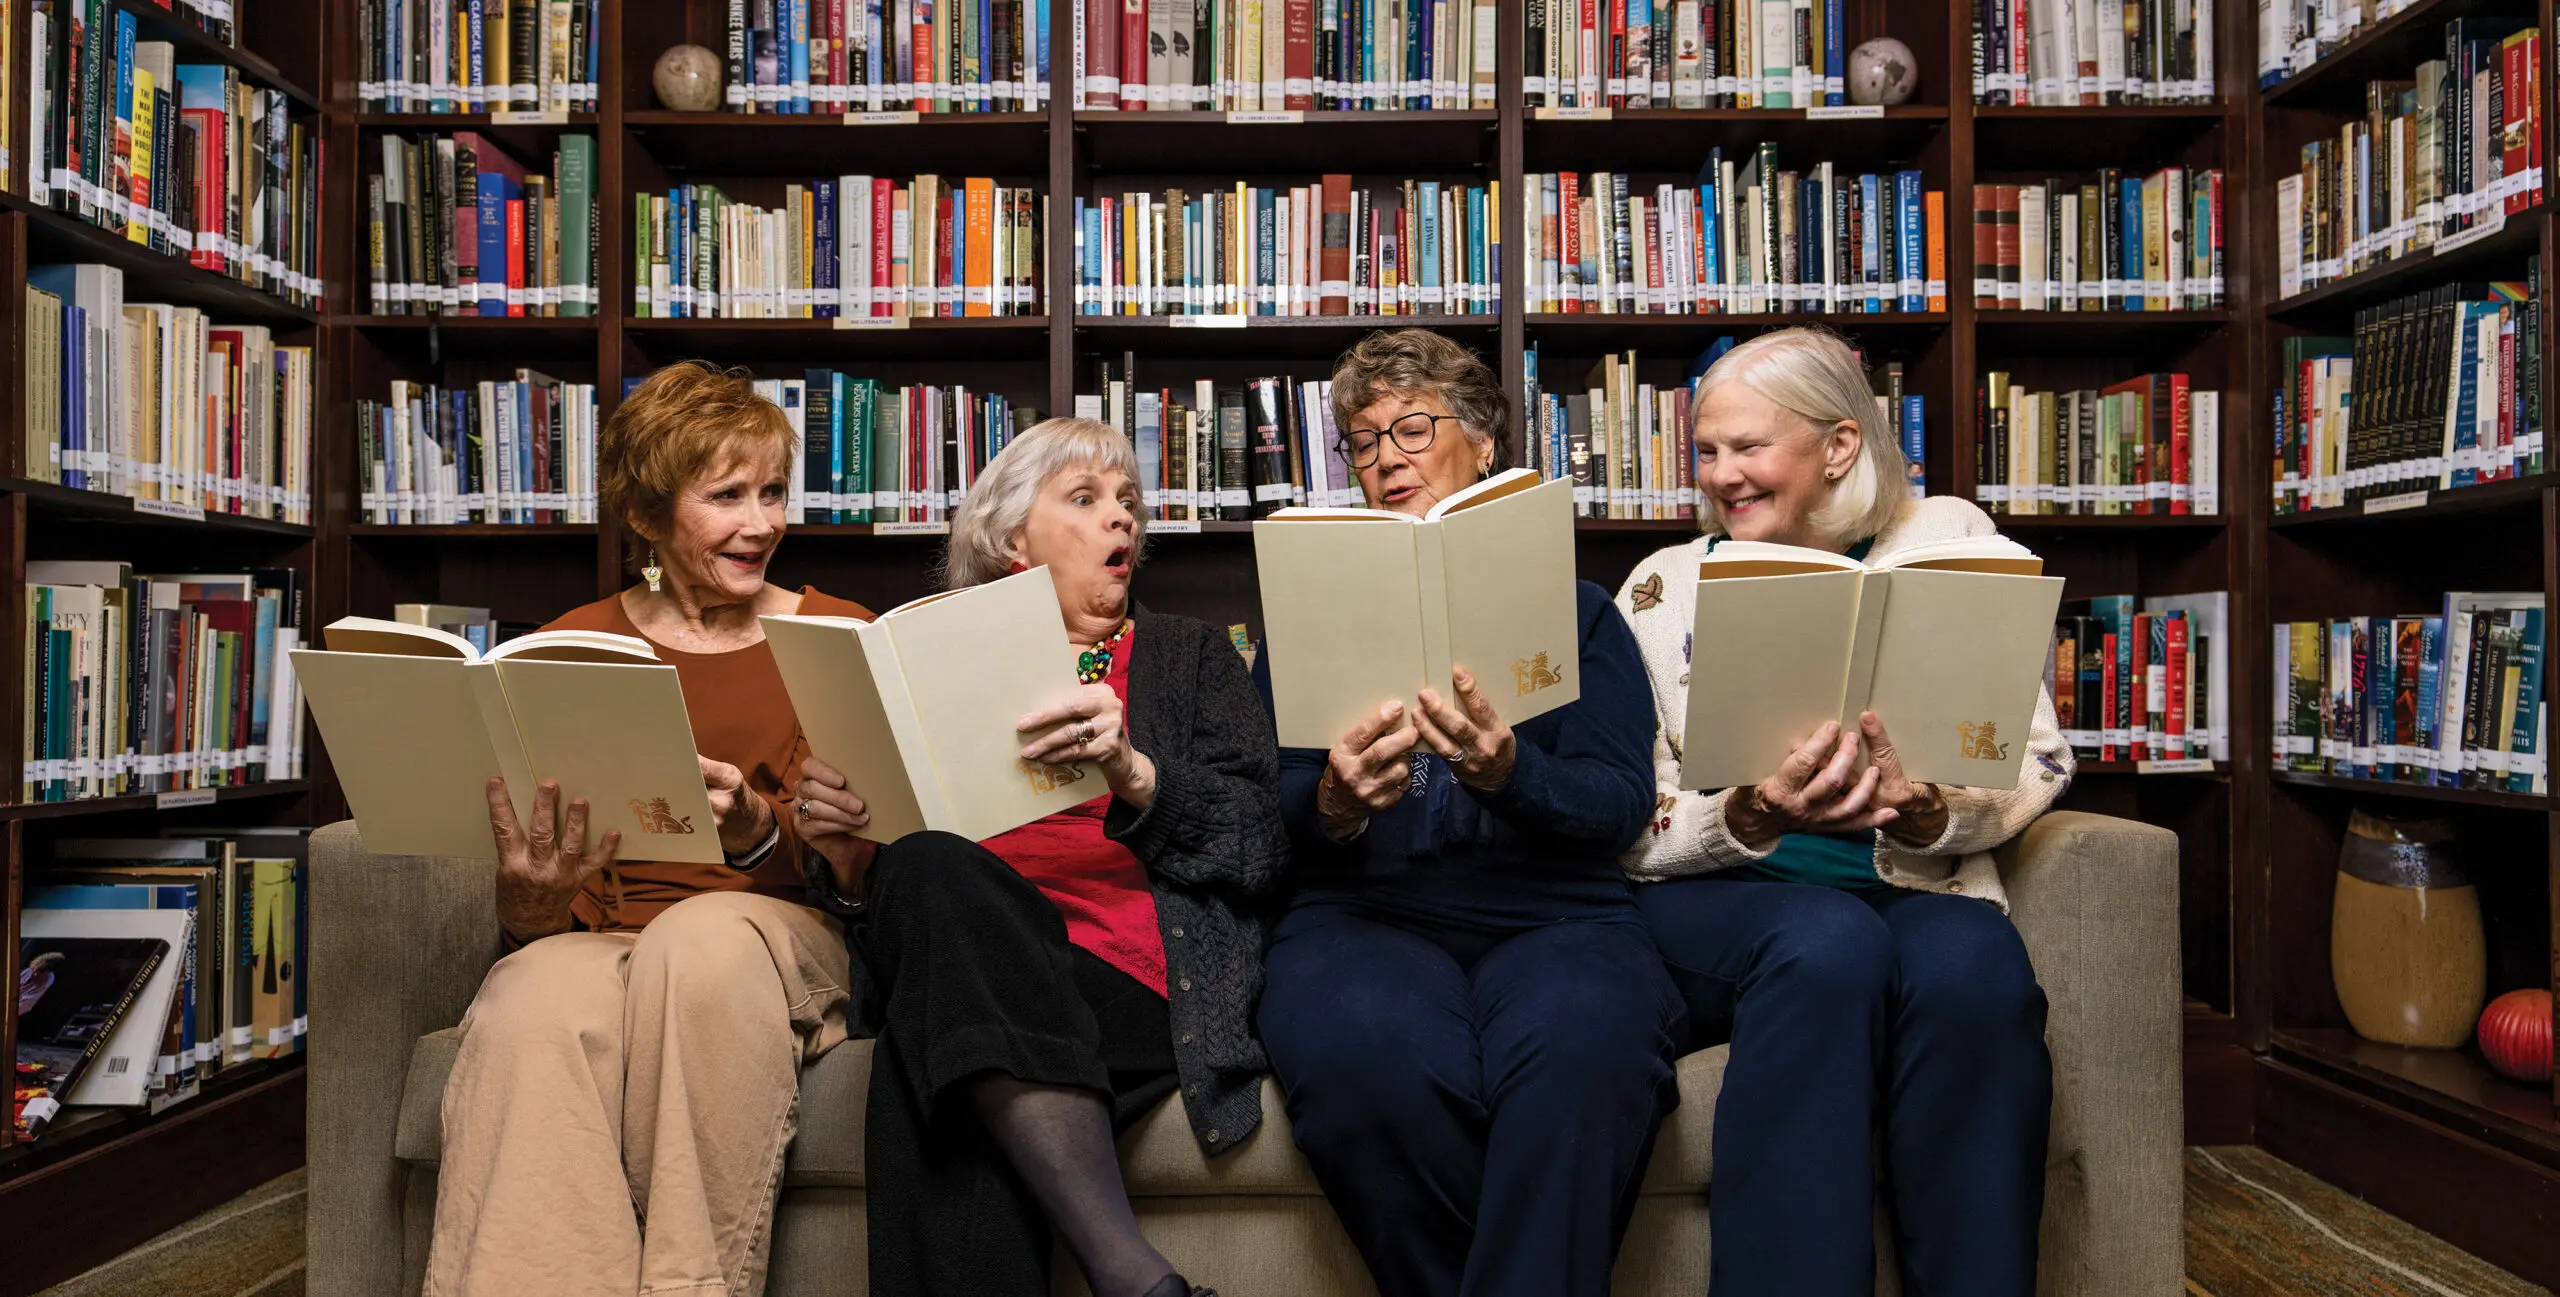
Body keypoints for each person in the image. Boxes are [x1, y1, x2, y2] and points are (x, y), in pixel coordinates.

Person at [1614, 327, 2071, 1296]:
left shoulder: (1946, 545)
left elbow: (2030, 756)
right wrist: (1741, 812)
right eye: (1706, 451)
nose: (1721, 475)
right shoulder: (1658, 589)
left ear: (1837, 446)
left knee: (1977, 964)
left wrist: (1925, 808)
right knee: (1823, 945)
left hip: (1907, 881)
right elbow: (1624, 813)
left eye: (1748, 447)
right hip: (1722, 899)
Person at [791, 418, 1287, 1297]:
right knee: (929, 870)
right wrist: (838, 854)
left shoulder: (1191, 657)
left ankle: (1131, 1276)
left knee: (937, 1066)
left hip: (1129, 973)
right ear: (1011, 537)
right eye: (1087, 501)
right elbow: (881, 904)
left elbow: (1260, 846)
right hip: (971, 954)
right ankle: (1135, 1279)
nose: (1122, 521)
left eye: (1128, 504)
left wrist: (1135, 772)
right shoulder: (926, 664)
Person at [1251, 329, 1686, 1297]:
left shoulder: (1577, 611)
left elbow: (1616, 804)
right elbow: (1270, 809)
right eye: (1362, 441)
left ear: (1483, 440)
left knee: (1586, 1050)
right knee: (1362, 1049)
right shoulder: (1309, 612)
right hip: (1364, 914)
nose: (1387, 456)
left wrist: (1506, 770)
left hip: (1556, 914)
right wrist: (1334, 798)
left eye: (1411, 426)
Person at [426, 362, 873, 1297]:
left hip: (774, 934)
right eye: (728, 497)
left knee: (697, 944)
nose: (763, 523)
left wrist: (758, 827)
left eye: (774, 492)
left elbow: (869, 865)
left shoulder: (840, 637)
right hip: (611, 936)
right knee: (529, 996)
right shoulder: (569, 648)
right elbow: (550, 901)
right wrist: (530, 901)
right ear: (648, 514)